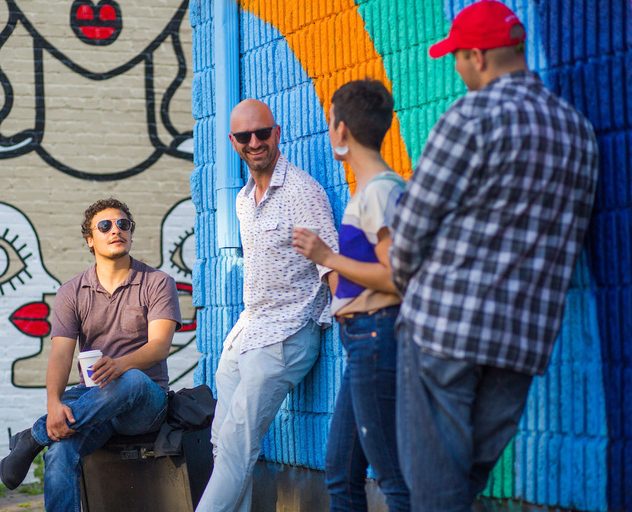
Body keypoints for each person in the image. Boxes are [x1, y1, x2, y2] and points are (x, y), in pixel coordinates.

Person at [389, 2, 600, 511]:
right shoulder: (578, 132)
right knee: (460, 485)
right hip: (522, 342)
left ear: (478, 56)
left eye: (457, 58)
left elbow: (412, 225)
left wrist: (401, 277)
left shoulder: (471, 116)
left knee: (436, 488)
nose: (456, 69)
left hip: (445, 327)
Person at [195, 99, 338, 512]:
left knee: (238, 446)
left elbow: (331, 263)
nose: (255, 142)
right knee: (223, 445)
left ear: (278, 133)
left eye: (262, 133)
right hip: (246, 333)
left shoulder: (301, 192)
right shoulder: (243, 199)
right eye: (245, 137)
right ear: (233, 143)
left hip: (287, 335)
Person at [0, 198, 182, 512]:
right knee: (59, 451)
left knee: (132, 380)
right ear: (90, 239)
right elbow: (60, 355)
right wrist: (54, 404)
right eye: (105, 226)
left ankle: (33, 436)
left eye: (123, 224)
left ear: (131, 233)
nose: (116, 231)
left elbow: (159, 347)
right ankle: (46, 433)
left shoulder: (157, 282)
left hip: (145, 402)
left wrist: (120, 365)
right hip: (96, 401)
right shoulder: (71, 292)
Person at [293, 79, 410, 511]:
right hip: (362, 341)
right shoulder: (371, 191)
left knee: (394, 480)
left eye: (329, 124)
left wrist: (327, 257)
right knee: (341, 474)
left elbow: (397, 277)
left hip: (376, 339)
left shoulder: (381, 192)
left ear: (340, 130)